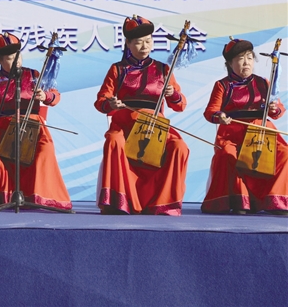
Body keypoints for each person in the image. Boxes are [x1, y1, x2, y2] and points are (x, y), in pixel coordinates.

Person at [94, 15, 189, 215]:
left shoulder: (163, 69)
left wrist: (173, 94)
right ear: (128, 44)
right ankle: (119, 201)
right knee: (114, 141)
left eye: (148, 41)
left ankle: (164, 202)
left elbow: (180, 105)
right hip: (125, 125)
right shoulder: (118, 69)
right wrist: (111, 103)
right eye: (138, 42)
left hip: (156, 126)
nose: (144, 46)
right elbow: (101, 100)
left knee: (179, 147)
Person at [0, 33, 71, 211]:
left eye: (18, 56)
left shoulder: (34, 75)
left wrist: (45, 95)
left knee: (44, 150)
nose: (16, 61)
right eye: (10, 58)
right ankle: (0, 196)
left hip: (32, 125)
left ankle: (38, 195)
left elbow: (55, 96)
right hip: (2, 126)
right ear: (0, 60)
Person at [201, 39, 287, 215]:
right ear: (229, 63)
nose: (246, 62)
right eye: (240, 58)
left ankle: (275, 200)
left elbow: (278, 110)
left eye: (249, 57)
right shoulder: (222, 85)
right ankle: (239, 201)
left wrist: (274, 108)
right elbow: (210, 111)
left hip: (261, 131)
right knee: (228, 154)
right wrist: (220, 116)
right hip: (233, 132)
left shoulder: (263, 82)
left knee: (285, 154)